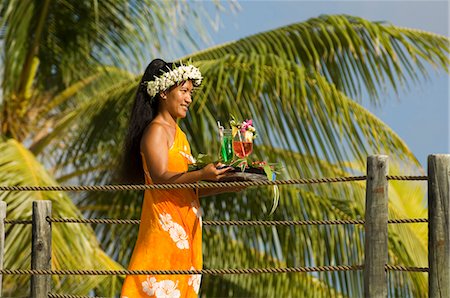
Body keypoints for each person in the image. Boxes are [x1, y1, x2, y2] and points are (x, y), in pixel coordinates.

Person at [120, 58, 240, 297]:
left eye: (190, 93)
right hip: (164, 234)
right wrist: (202, 173)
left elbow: (187, 189)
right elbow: (161, 178)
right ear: (164, 93)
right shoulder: (156, 131)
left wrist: (227, 185)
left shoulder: (180, 135)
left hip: (188, 234)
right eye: (183, 91)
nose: (189, 99)